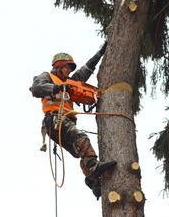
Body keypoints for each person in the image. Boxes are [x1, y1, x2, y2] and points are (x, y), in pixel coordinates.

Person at [29, 42, 116, 200]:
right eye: (67, 67)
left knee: (80, 150)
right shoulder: (47, 77)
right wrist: (56, 88)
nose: (69, 71)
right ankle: (93, 167)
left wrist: (100, 53)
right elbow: (35, 89)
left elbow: (85, 71)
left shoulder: (69, 82)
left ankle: (93, 180)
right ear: (58, 66)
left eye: (70, 68)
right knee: (81, 139)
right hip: (54, 119)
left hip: (65, 122)